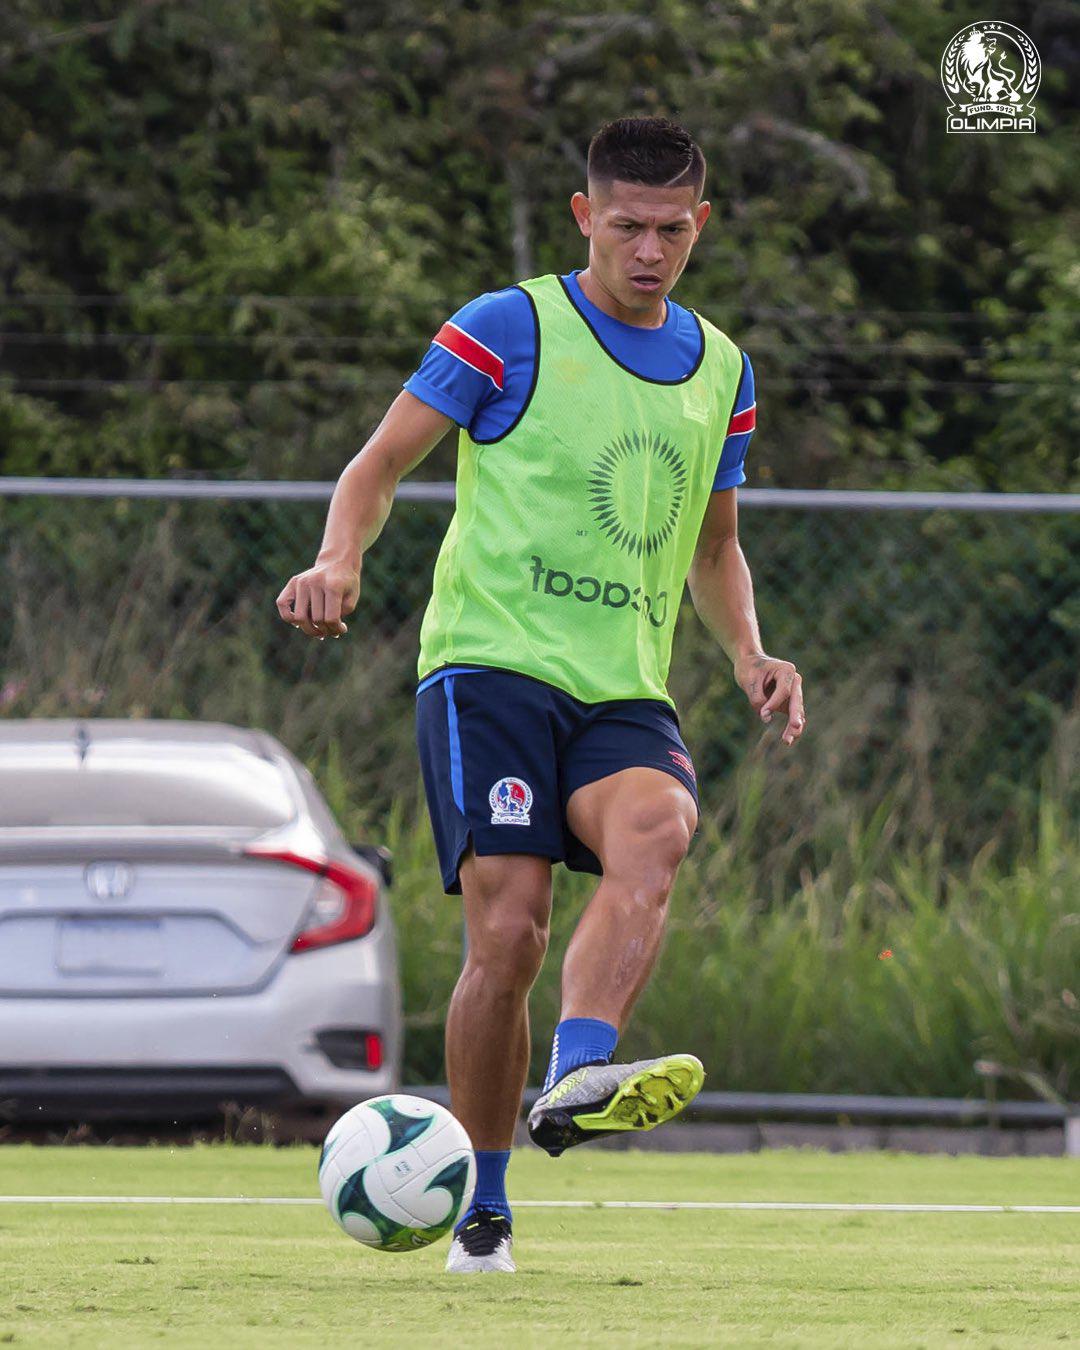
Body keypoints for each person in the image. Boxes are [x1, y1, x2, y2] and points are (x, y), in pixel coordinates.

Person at [277, 115, 805, 1274]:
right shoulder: (505, 327)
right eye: (627, 227)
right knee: (508, 934)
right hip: (490, 669)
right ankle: (483, 1206)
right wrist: (340, 560)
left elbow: (716, 547)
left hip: (622, 687)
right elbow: (378, 465)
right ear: (585, 218)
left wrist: (750, 653)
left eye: (673, 230)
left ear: (700, 226)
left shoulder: (722, 369)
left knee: (659, 830)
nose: (651, 250)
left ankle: (576, 1075)